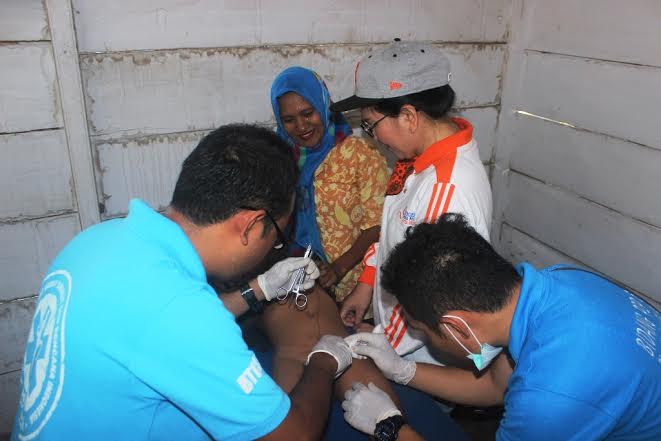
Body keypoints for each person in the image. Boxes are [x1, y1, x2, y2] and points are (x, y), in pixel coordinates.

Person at [11, 124, 355, 441]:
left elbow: (152, 324)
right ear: (250, 226)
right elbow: (292, 435)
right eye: (278, 236)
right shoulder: (183, 315)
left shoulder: (97, 240)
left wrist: (259, 288)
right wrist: (324, 361)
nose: (274, 248)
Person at [343, 213, 661, 440]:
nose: (419, 335)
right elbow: (496, 386)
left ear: (458, 328)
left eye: (421, 330)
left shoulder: (547, 397)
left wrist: (390, 429)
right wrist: (402, 370)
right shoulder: (555, 284)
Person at [333, 40, 492, 363]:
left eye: (370, 125)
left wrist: (373, 341)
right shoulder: (417, 161)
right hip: (394, 330)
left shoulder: (446, 189)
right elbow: (396, 234)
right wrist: (366, 284)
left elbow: (428, 296)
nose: (374, 137)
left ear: (408, 116)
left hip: (418, 353)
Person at [271, 66, 388, 302]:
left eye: (308, 113)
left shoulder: (359, 153)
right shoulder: (279, 159)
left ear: (323, 105)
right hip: (299, 282)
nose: (301, 126)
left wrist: (338, 268)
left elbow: (377, 225)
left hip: (357, 286)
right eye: (289, 120)